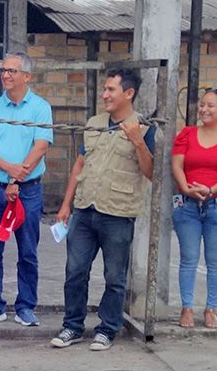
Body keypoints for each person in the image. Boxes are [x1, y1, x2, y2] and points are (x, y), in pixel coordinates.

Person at [52, 68, 154, 350]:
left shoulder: (145, 126)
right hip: (85, 209)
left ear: (129, 93)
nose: (105, 94)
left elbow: (151, 172)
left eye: (111, 90)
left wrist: (137, 140)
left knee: (114, 276)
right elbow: (80, 164)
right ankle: (72, 326)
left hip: (118, 214)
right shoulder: (95, 122)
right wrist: (66, 204)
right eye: (105, 89)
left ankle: (107, 329)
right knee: (75, 271)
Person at [0, 53, 52, 327]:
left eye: (12, 71)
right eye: (3, 70)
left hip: (28, 191)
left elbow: (41, 146)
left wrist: (17, 180)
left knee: (28, 251)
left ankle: (26, 306)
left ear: (26, 76)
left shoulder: (41, 108)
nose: (5, 75)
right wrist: (10, 171)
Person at [171, 88, 217, 330]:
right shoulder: (186, 134)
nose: (204, 109)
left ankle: (211, 307)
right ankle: (187, 307)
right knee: (188, 258)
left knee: (215, 260)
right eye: (202, 105)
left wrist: (211, 190)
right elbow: (177, 165)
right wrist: (186, 188)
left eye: (211, 105)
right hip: (187, 204)